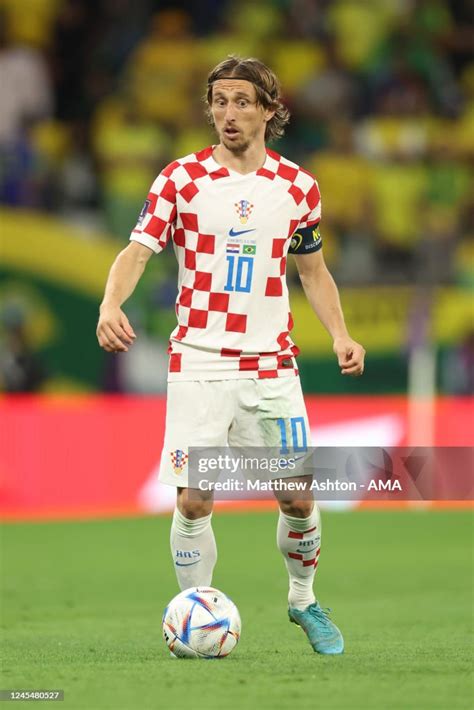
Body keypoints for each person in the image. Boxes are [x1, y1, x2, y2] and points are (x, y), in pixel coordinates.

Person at [97, 56, 365, 655]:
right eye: (219, 101)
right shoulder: (180, 180)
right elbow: (137, 251)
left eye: (242, 101)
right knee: (195, 497)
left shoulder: (297, 187)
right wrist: (110, 303)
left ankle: (303, 600)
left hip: (272, 366)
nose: (228, 114)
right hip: (199, 361)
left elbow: (314, 272)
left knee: (297, 495)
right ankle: (196, 615)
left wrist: (342, 335)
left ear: (270, 109)